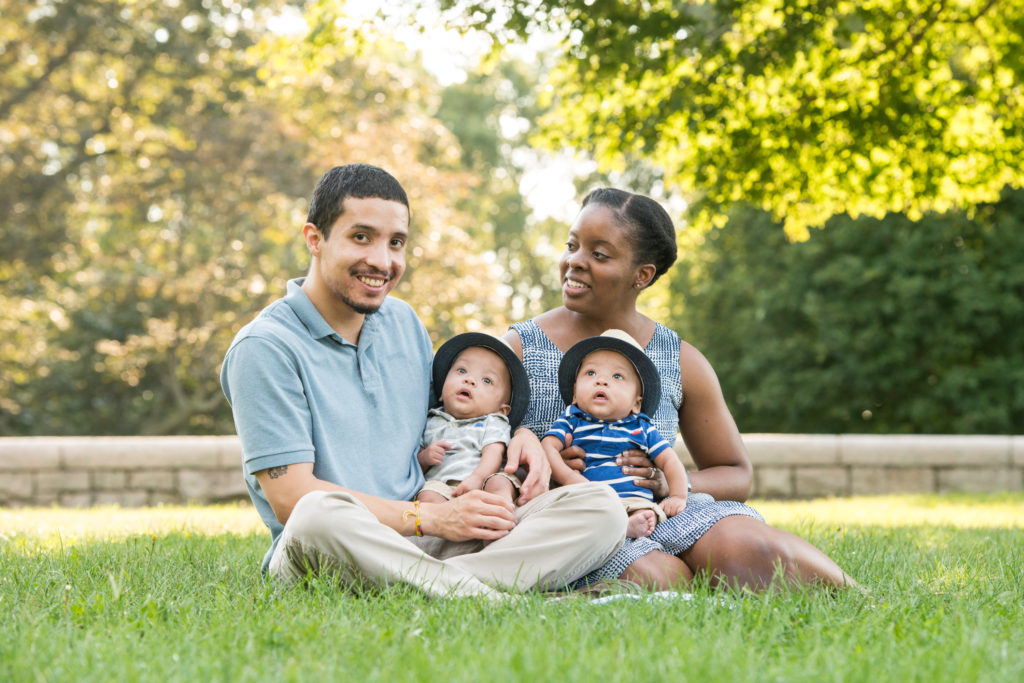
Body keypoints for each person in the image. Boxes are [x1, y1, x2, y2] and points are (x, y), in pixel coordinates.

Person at [220, 164, 626, 600]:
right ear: (314, 239)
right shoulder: (265, 347)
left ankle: (438, 589)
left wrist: (522, 432)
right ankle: (493, 598)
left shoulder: (403, 322)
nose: (382, 261)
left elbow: (456, 413)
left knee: (601, 508)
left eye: (396, 243)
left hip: (431, 539)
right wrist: (430, 518)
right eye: (361, 237)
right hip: (332, 548)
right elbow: (291, 498)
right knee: (316, 513)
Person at [505, 187, 858, 591]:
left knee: (759, 554)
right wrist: (547, 468)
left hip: (672, 510)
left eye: (598, 254)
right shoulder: (520, 347)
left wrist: (667, 482)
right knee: (663, 580)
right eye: (572, 245)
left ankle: (872, 607)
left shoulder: (679, 359)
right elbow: (472, 444)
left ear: (643, 275)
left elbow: (735, 473)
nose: (575, 262)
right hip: (579, 520)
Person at [542, 329, 690, 539]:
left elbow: (670, 461)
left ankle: (628, 526)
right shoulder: (572, 419)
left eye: (617, 376)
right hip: (589, 498)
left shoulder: (641, 427)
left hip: (632, 500)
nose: (601, 381)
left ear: (636, 403)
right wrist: (568, 477)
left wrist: (677, 495)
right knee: (569, 512)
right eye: (591, 373)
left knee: (646, 513)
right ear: (575, 394)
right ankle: (614, 528)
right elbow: (547, 447)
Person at [416, 333, 529, 506]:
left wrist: (477, 477)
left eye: (487, 380)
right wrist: (424, 458)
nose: (469, 380)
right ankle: (442, 522)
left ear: (502, 410)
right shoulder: (432, 420)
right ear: (441, 393)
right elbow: (416, 465)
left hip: (484, 482)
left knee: (500, 482)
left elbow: (493, 454)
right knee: (427, 495)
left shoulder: (493, 421)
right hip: (443, 487)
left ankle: (499, 509)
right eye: (461, 371)